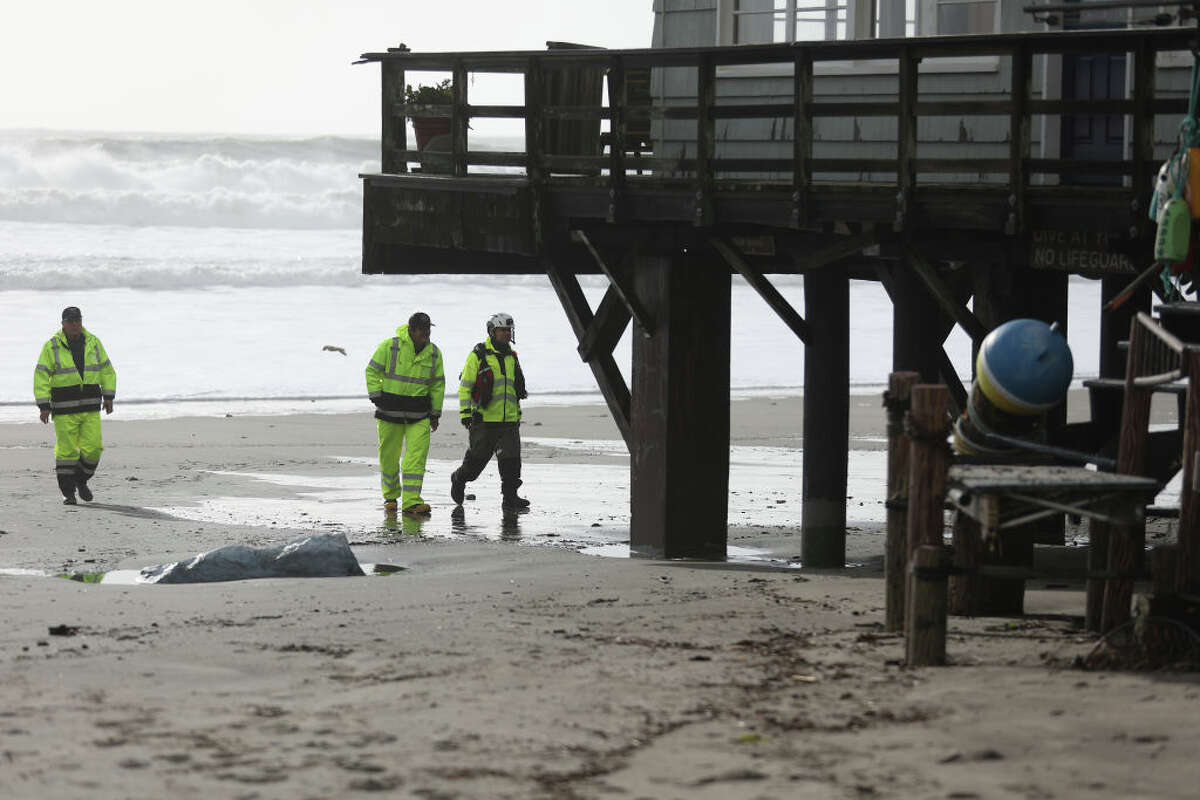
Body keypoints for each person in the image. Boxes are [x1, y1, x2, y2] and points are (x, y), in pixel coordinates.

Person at [33, 307, 117, 505]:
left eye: (77, 320)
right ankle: (68, 493)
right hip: (63, 409)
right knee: (67, 453)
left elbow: (106, 370)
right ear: (62, 323)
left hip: (90, 406)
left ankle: (80, 480)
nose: (74, 324)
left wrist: (109, 396)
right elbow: (41, 375)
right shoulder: (51, 346)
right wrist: (44, 405)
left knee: (94, 449)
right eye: (70, 321)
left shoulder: (94, 342)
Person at [365, 312, 445, 516]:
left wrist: (435, 413)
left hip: (419, 415)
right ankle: (391, 497)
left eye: (428, 330)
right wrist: (376, 396)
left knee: (416, 458)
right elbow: (372, 371)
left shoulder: (435, 353)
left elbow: (437, 385)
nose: (426, 334)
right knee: (389, 456)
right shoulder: (389, 346)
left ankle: (411, 502)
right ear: (411, 330)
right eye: (422, 330)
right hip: (389, 411)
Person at [450, 312, 530, 510]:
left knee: (511, 463)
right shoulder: (477, 355)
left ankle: (510, 498)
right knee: (474, 467)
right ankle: (459, 478)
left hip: (509, 421)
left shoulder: (512, 357)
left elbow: (514, 388)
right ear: (492, 331)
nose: (506, 333)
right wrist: (465, 414)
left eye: (508, 330)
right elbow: (465, 387)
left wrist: (516, 413)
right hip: (484, 421)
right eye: (502, 330)